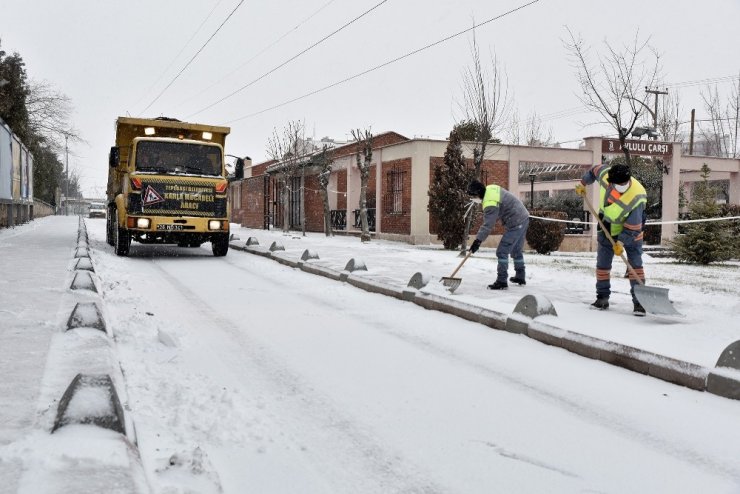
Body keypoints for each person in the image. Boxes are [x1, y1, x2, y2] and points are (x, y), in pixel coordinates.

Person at [576, 163, 648, 316]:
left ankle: (640, 303)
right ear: (611, 181)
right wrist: (582, 183)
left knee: (635, 266)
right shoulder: (606, 176)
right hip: (606, 229)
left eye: (623, 183)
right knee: (602, 265)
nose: (621, 186)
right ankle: (602, 298)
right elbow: (593, 171)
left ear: (628, 180)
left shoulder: (637, 196)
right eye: (617, 184)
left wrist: (621, 242)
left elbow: (633, 227)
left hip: (631, 235)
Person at [466, 179, 530, 290]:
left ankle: (502, 281)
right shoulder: (490, 188)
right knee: (516, 250)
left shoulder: (490, 202)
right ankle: (520, 276)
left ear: (478, 194)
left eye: (472, 197)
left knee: (502, 251)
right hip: (523, 217)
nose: (472, 200)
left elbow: (488, 225)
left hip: (516, 222)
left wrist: (477, 241)